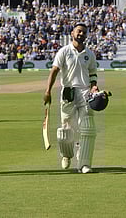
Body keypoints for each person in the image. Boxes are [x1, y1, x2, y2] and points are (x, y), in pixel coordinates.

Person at [43, 23, 100, 173]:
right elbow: (54, 71)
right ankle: (66, 154)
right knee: (66, 129)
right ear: (72, 33)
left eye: (84, 32)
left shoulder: (90, 54)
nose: (81, 34)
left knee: (87, 127)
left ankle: (84, 164)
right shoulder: (64, 51)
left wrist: (94, 86)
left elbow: (93, 73)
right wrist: (48, 91)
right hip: (68, 92)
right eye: (79, 31)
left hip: (85, 92)